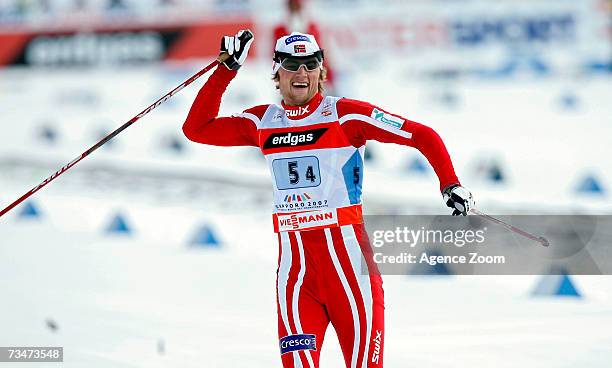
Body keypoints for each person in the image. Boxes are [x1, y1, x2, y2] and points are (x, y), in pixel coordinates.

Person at [182, 30, 474, 368]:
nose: (302, 73)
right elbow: (196, 128)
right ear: (276, 73)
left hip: (350, 273)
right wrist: (226, 69)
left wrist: (449, 183)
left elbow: (421, 134)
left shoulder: (346, 115)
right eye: (292, 65)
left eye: (311, 64)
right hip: (296, 278)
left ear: (322, 71)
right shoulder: (262, 121)